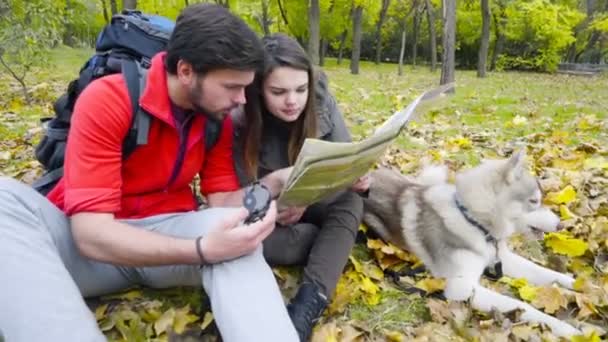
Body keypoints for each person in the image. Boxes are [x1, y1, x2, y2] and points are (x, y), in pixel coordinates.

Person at [0, 4, 298, 342]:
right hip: (90, 250)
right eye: (232, 86)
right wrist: (201, 250)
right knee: (3, 198)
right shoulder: (108, 99)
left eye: (246, 87)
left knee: (235, 234)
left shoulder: (217, 117)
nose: (242, 100)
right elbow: (90, 235)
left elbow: (221, 205)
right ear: (186, 71)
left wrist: (274, 184)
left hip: (168, 239)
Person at [230, 33, 370, 341]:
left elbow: (343, 155)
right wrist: (276, 205)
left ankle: (310, 302)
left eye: (300, 89)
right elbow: (238, 201)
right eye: (278, 91)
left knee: (351, 202)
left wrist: (355, 176)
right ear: (258, 90)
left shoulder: (321, 103)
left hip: (317, 199)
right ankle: (330, 246)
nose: (292, 101)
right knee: (261, 242)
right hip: (270, 219)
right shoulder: (239, 120)